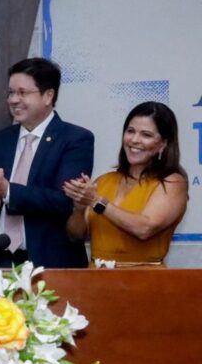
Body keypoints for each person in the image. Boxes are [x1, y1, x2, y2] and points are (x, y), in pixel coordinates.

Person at [0, 58, 94, 268]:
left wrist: (7, 191)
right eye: (10, 93)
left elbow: (64, 201)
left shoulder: (75, 139)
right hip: (0, 262)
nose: (13, 100)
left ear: (48, 96)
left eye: (22, 93)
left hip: (51, 263)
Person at [64, 102, 187, 267]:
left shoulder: (172, 183)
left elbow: (144, 229)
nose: (134, 140)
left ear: (163, 144)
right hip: (94, 282)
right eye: (130, 131)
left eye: (146, 135)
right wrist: (79, 209)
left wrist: (96, 201)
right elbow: (75, 234)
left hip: (144, 283)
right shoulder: (103, 181)